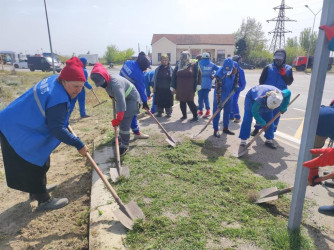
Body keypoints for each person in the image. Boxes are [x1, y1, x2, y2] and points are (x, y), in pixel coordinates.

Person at [0, 57, 89, 210]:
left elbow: (58, 118)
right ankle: (43, 200)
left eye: (81, 87)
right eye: (75, 86)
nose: (78, 90)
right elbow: (57, 129)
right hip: (17, 128)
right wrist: (78, 144)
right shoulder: (58, 98)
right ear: (65, 81)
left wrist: (64, 120)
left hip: (16, 119)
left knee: (40, 160)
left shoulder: (55, 80)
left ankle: (38, 189)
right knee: (34, 162)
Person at [90, 63, 141, 156]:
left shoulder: (115, 83)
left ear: (105, 76)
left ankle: (124, 146)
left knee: (124, 123)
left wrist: (119, 118)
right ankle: (121, 138)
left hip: (131, 99)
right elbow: (108, 88)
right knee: (121, 124)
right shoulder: (107, 79)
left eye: (102, 83)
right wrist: (111, 95)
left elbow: (121, 101)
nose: (102, 85)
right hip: (123, 98)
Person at [251, 49, 294, 136]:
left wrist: (284, 75)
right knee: (261, 112)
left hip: (279, 97)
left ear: (284, 58)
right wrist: (263, 93)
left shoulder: (288, 69)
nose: (278, 60)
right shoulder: (268, 67)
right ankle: (257, 129)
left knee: (275, 116)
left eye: (280, 58)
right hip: (267, 95)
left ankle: (270, 135)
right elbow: (261, 81)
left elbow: (289, 82)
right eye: (277, 57)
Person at [303, 101, 334, 215]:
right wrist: (314, 170)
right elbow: (314, 149)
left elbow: (314, 148)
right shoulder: (325, 117)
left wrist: (313, 171)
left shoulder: (322, 114)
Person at [120, 51, 150, 139]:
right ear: (143, 65)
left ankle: (125, 131)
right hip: (128, 95)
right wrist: (145, 102)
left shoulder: (128, 62)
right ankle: (136, 133)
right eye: (146, 67)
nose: (146, 69)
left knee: (122, 113)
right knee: (133, 113)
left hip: (119, 92)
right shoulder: (139, 74)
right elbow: (141, 89)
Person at [171, 51, 202, 122]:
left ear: (188, 57)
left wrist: (199, 84)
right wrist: (173, 86)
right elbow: (173, 75)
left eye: (185, 57)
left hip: (189, 87)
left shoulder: (194, 64)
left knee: (190, 102)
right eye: (182, 57)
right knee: (182, 102)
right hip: (180, 87)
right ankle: (184, 115)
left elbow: (199, 74)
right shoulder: (179, 64)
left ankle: (195, 116)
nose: (184, 58)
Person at [212, 58, 239, 138]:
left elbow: (236, 78)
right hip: (220, 94)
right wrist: (219, 101)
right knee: (216, 113)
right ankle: (216, 130)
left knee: (227, 113)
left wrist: (236, 85)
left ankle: (225, 128)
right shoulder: (219, 74)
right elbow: (218, 89)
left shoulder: (234, 69)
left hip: (229, 94)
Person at [198, 52, 219, 118]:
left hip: (199, 82)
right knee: (206, 97)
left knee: (200, 98)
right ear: (209, 57)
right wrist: (214, 75)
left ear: (202, 57)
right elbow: (219, 70)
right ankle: (208, 111)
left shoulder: (199, 63)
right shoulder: (212, 64)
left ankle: (200, 110)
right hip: (208, 83)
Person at [230, 55, 246, 123]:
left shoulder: (240, 70)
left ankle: (237, 117)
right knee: (229, 102)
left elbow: (243, 82)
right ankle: (231, 115)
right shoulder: (230, 68)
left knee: (234, 102)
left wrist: (239, 89)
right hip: (230, 88)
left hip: (236, 89)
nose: (240, 62)